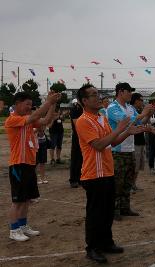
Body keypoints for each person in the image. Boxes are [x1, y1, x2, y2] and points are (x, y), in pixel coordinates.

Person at [76, 84, 143, 263]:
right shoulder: (83, 120)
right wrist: (120, 128)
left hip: (107, 171)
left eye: (97, 94)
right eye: (93, 95)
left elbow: (111, 142)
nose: (98, 97)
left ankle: (106, 243)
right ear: (84, 100)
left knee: (106, 212)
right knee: (95, 214)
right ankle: (92, 247)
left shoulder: (101, 118)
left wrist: (127, 131)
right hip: (93, 174)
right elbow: (98, 145)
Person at [5, 91, 60, 242]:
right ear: (17, 104)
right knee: (17, 200)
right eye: (27, 104)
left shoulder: (28, 120)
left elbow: (47, 120)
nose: (30, 107)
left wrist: (53, 103)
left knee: (26, 199)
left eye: (31, 104)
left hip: (29, 164)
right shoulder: (13, 120)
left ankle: (23, 226)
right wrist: (48, 101)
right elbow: (35, 117)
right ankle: (14, 229)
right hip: (18, 164)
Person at [107, 83, 153, 219]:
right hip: (117, 149)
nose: (130, 94)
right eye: (129, 91)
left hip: (130, 148)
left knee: (128, 181)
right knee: (117, 182)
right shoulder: (112, 107)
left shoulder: (130, 107)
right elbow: (126, 121)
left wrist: (148, 115)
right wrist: (142, 114)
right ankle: (114, 210)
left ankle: (125, 207)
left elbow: (139, 122)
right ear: (121, 92)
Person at [130, 93, 155, 192]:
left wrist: (149, 114)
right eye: (141, 100)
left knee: (138, 166)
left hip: (140, 140)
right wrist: (145, 113)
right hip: (134, 142)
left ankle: (133, 185)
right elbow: (134, 123)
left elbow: (142, 123)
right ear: (136, 100)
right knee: (134, 166)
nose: (142, 102)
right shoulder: (130, 109)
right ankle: (130, 186)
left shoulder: (137, 111)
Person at [69, 99, 83, 188]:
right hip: (77, 136)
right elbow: (77, 123)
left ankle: (81, 178)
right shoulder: (75, 109)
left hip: (86, 136)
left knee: (83, 158)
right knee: (76, 157)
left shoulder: (86, 108)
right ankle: (73, 179)